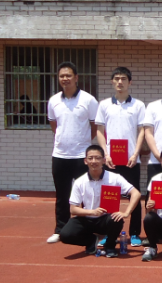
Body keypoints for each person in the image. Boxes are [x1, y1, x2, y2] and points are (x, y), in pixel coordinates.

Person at [46, 61, 98, 244]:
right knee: (62, 194)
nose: (65, 79)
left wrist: (83, 142)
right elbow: (54, 125)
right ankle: (60, 229)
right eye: (62, 76)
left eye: (68, 75)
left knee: (87, 194)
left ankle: (89, 229)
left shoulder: (88, 100)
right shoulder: (53, 101)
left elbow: (95, 126)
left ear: (76, 78)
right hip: (60, 155)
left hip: (81, 156)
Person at [59, 145, 142, 257]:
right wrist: (92, 212)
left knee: (116, 219)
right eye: (90, 158)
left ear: (103, 160)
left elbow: (136, 193)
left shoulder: (114, 178)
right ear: (85, 161)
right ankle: (91, 241)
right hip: (87, 218)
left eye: (97, 158)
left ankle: (110, 245)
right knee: (65, 235)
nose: (94, 161)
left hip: (105, 219)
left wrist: (126, 212)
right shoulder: (79, 182)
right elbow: (73, 209)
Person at [95, 67, 146, 247]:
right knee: (109, 197)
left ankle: (135, 233)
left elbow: (142, 131)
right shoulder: (104, 105)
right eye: (116, 78)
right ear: (112, 81)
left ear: (129, 82)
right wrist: (105, 154)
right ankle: (109, 232)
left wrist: (135, 153)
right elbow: (99, 131)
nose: (120, 82)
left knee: (135, 196)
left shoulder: (138, 105)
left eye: (123, 79)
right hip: (110, 160)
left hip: (131, 160)